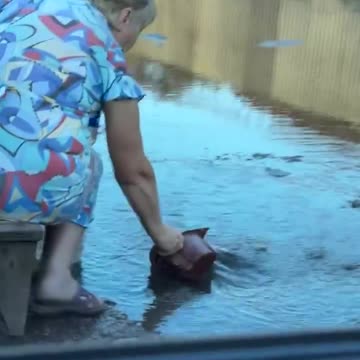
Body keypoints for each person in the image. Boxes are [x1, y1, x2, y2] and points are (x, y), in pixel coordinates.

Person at [0, 0, 184, 315]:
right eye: (138, 31)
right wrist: (162, 235)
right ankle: (56, 280)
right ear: (125, 16)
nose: (131, 43)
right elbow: (132, 171)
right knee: (87, 161)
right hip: (14, 192)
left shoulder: (17, 6)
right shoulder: (107, 51)